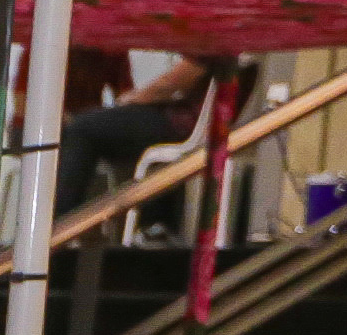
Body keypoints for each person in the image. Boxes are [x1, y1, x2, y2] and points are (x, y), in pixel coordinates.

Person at [55, 52, 235, 223]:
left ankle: (58, 222)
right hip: (183, 120)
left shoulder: (211, 43)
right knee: (90, 126)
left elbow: (176, 80)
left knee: (81, 130)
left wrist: (134, 99)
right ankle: (150, 222)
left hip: (180, 123)